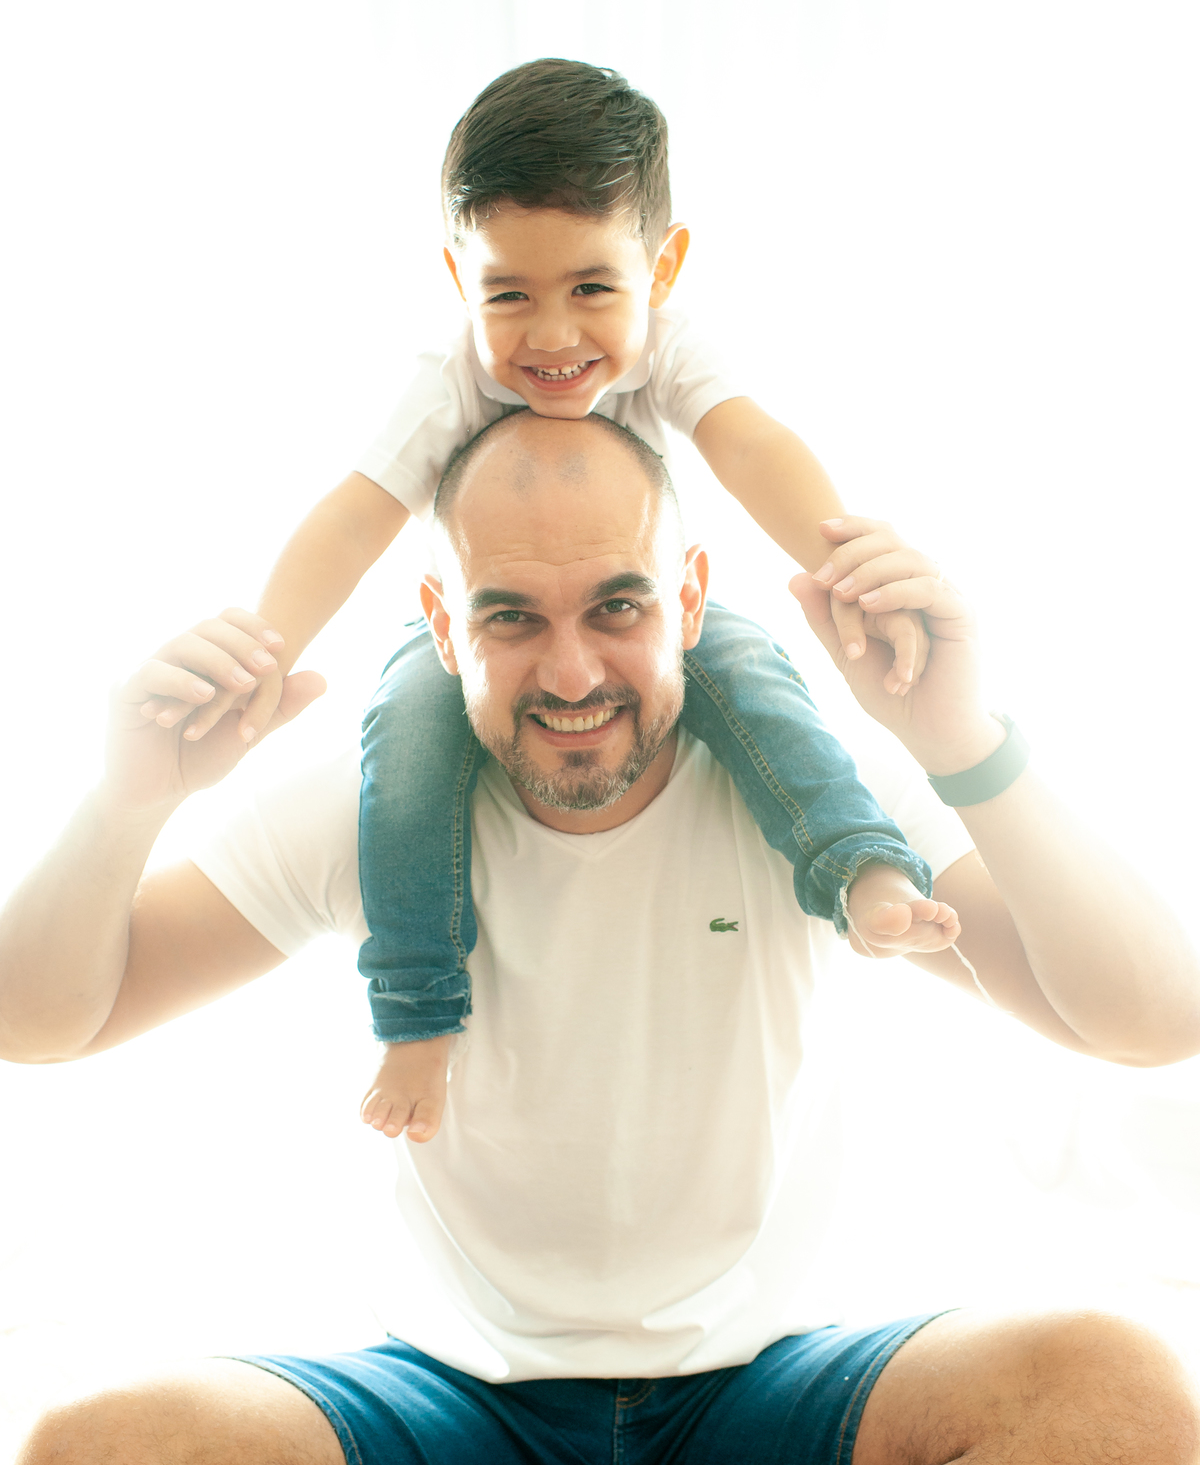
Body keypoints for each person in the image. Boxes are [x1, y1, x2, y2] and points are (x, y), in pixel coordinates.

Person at [3, 411, 1200, 1465]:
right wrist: (123, 800)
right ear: (438, 613)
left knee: (1121, 1392)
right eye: (512, 616)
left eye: (617, 607)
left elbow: (1153, 1021)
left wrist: (960, 740)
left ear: (688, 597)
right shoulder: (370, 804)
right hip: (462, 1417)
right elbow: (39, 1021)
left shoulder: (813, 792)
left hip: (771, 1410)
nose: (571, 674)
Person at [166, 58, 939, 1141]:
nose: (554, 337)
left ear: (661, 267)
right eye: (508, 295)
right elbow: (354, 515)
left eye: (591, 288)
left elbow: (753, 445)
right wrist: (262, 648)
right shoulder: (447, 381)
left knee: (766, 688)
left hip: (646, 620)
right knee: (404, 755)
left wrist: (853, 566)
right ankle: (419, 1010)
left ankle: (857, 866)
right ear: (457, 277)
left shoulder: (670, 345)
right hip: (482, 639)